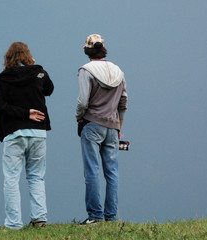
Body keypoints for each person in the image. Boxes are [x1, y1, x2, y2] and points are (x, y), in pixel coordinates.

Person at [0, 42, 54, 230]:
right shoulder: (38, 73)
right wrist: (36, 66)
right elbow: (49, 89)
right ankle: (40, 219)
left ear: (7, 58)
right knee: (36, 176)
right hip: (38, 133)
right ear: (28, 55)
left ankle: (13, 224)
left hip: (14, 134)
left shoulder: (1, 80)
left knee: (11, 178)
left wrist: (23, 114)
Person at [76, 34, 128, 225]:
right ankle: (111, 217)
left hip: (92, 124)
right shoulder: (118, 71)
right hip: (113, 126)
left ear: (87, 50)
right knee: (112, 173)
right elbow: (123, 102)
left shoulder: (86, 70)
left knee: (92, 171)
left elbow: (82, 101)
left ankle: (95, 217)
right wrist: (119, 126)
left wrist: (79, 118)